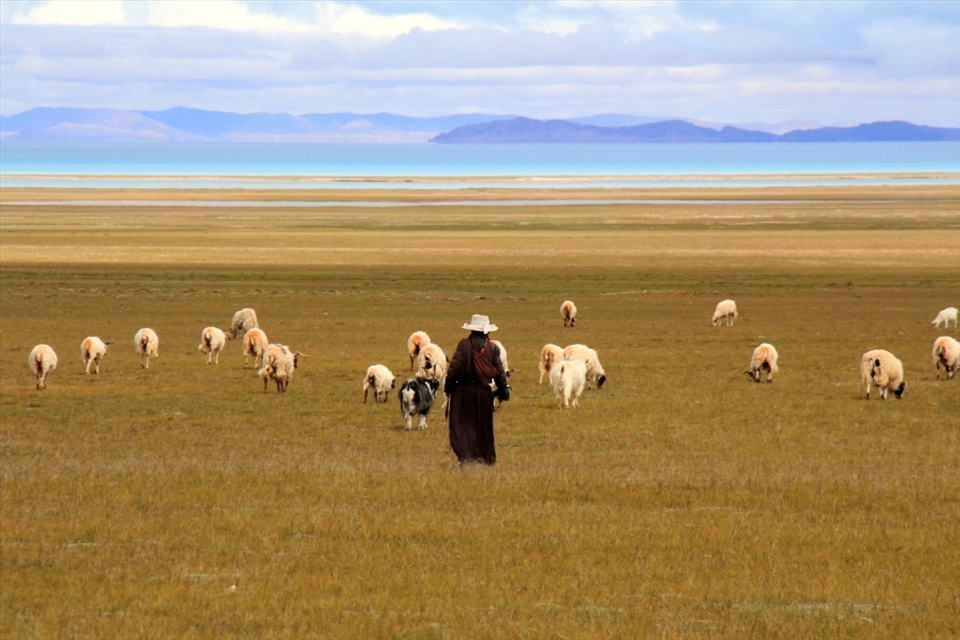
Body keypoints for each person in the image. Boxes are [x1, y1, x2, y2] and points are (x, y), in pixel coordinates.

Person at [445, 314, 509, 465]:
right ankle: (484, 457)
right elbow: (500, 373)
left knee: (463, 424)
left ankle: (466, 457)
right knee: (483, 425)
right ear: (487, 331)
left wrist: (449, 389)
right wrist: (503, 392)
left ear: (472, 330)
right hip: (484, 392)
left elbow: (453, 369)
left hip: (463, 391)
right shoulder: (493, 348)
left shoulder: (463, 345)